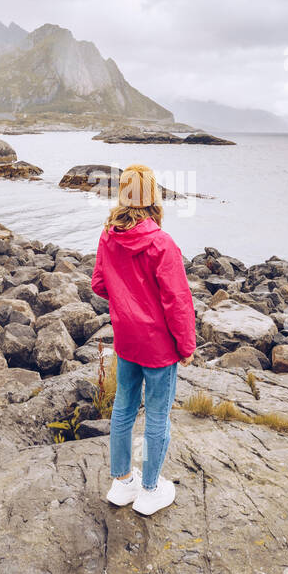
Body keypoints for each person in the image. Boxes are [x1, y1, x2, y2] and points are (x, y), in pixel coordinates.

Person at [90, 163, 196, 515]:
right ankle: (150, 489)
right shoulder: (161, 243)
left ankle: (122, 483)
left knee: (123, 406)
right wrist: (186, 346)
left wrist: (126, 303)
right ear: (153, 195)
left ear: (123, 193)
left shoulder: (109, 236)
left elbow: (100, 285)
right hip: (158, 346)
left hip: (126, 338)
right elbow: (177, 301)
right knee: (156, 416)